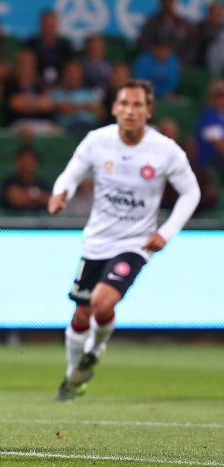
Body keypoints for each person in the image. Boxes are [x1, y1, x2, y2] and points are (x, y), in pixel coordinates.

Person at [48, 79, 200, 402]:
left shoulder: (165, 150)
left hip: (136, 243)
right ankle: (74, 376)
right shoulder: (97, 142)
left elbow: (192, 192)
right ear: (115, 108)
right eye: (125, 104)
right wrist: (61, 193)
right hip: (96, 242)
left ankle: (97, 348)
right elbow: (71, 174)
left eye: (137, 105)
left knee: (103, 302)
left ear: (149, 111)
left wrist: (166, 232)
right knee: (82, 316)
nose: (130, 111)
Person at [0, 146, 52, 212]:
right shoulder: (9, 182)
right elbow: (15, 199)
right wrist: (37, 196)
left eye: (30, 162)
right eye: (24, 162)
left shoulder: (42, 184)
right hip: (13, 221)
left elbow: (49, 201)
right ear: (17, 162)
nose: (26, 166)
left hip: (39, 221)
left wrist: (26, 195)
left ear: (36, 163)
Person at [195, 79, 224, 180]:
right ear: (211, 98)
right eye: (220, 95)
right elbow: (220, 148)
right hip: (211, 162)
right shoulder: (209, 117)